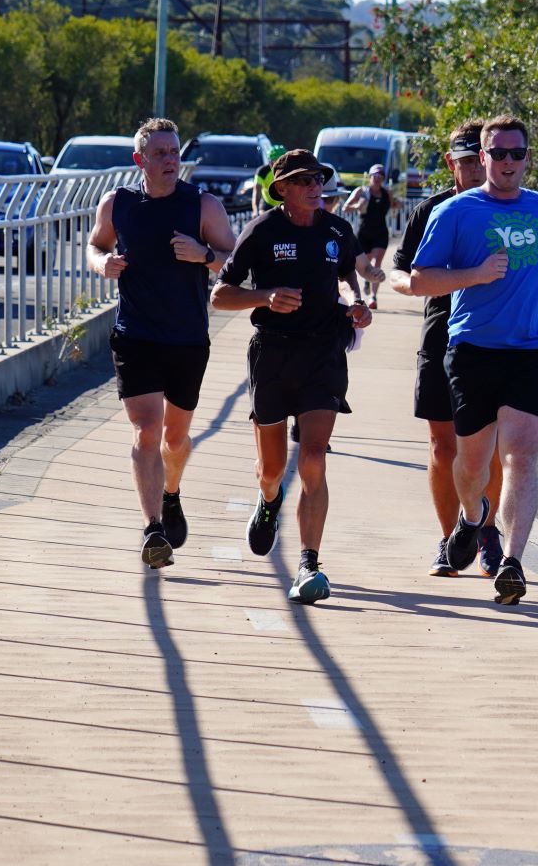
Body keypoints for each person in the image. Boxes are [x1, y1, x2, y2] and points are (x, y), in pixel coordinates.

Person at [409, 116, 538, 606]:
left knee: (522, 457)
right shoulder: (457, 212)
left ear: (528, 157)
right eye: (498, 153)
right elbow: (421, 279)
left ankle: (512, 562)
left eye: (516, 153)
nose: (508, 161)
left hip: (533, 350)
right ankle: (470, 517)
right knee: (471, 465)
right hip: (473, 350)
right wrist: (476, 274)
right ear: (481, 158)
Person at [212, 149, 371, 604]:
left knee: (315, 457)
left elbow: (347, 279)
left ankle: (308, 564)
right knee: (272, 469)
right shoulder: (262, 230)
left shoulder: (337, 230)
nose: (314, 186)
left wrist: (357, 306)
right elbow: (220, 296)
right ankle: (267, 501)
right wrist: (265, 296)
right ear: (281, 188)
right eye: (302, 180)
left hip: (324, 352)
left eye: (318, 178)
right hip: (273, 355)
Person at [85, 118, 236, 569]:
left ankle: (171, 493)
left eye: (174, 153)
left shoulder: (203, 206)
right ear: (140, 161)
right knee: (147, 431)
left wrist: (204, 255)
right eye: (160, 154)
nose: (170, 160)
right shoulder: (118, 204)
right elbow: (94, 245)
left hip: (188, 338)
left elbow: (234, 263)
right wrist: (102, 264)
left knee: (175, 437)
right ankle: (153, 529)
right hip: (135, 334)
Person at [387, 122, 505, 577]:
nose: (477, 168)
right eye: (468, 160)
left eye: (483, 158)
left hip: (492, 336)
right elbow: (400, 272)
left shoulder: (510, 209)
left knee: (488, 446)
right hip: (440, 332)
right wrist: (412, 286)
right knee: (442, 447)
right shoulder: (432, 210)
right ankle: (449, 540)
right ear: (451, 163)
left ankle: (487, 533)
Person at [341, 164, 394, 309]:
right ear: (370, 177)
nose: (377, 179)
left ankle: (373, 297)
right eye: (375, 176)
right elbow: (345, 208)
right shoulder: (361, 192)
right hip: (364, 233)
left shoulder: (387, 193)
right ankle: (366, 281)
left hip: (381, 233)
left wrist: (399, 204)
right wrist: (358, 206)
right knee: (366, 264)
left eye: (380, 177)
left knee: (377, 264)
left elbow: (395, 204)